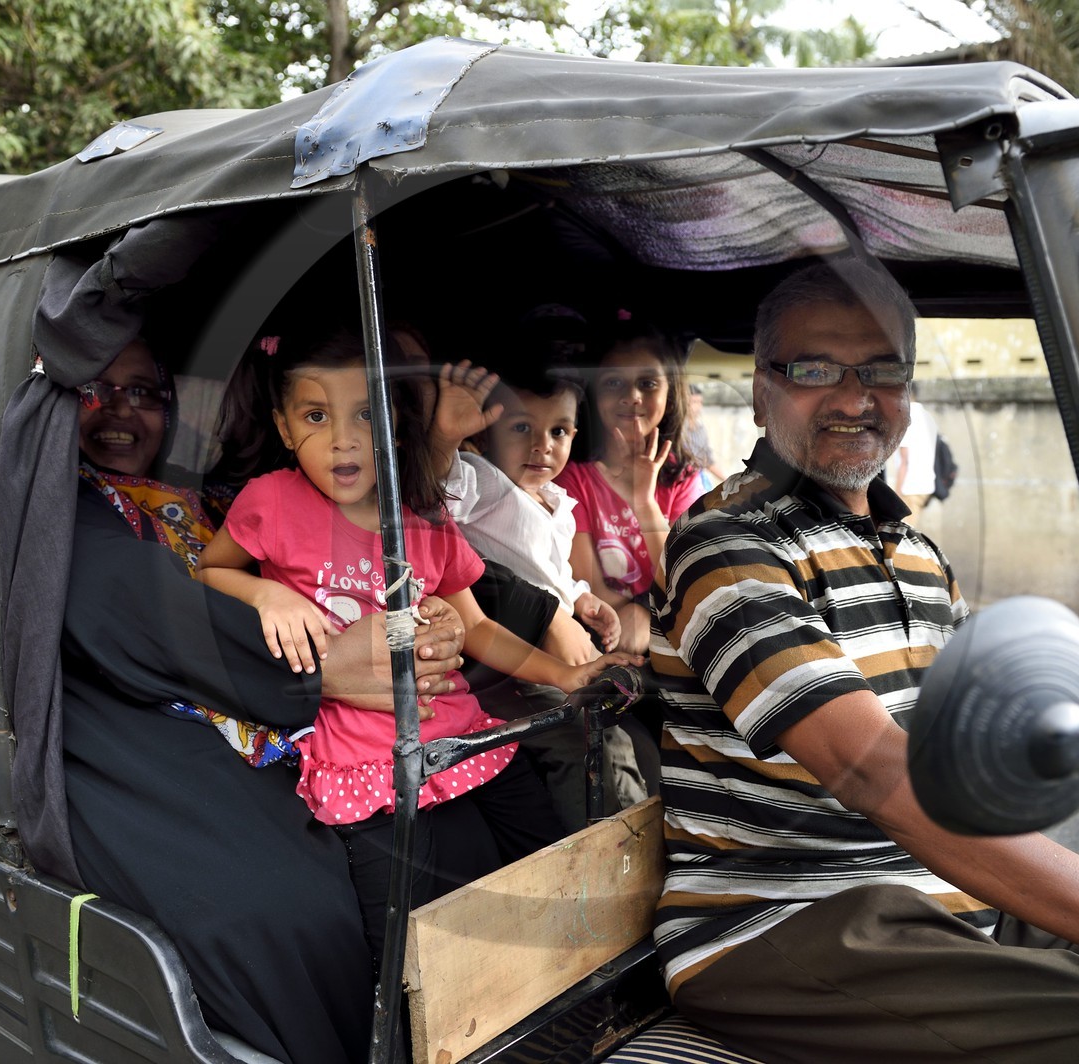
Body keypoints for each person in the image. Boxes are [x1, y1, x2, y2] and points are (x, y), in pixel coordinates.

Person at [649, 262, 1079, 1063]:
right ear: (761, 390)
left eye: (882, 370)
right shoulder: (728, 546)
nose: (851, 397)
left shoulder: (918, 555)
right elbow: (873, 767)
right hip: (779, 921)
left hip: (931, 898)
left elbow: (998, 745)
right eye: (813, 370)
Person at [61, 337, 468, 1064]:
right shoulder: (67, 511)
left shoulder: (223, 498)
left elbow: (393, 560)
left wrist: (483, 622)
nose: (120, 412)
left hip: (326, 738)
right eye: (97, 389)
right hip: (175, 739)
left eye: (144, 393)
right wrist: (318, 672)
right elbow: (132, 606)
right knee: (291, 909)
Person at [195, 329, 635, 962]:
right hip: (365, 758)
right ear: (285, 429)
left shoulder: (422, 516)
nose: (343, 438)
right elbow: (211, 571)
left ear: (394, 426)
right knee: (406, 940)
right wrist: (270, 596)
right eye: (316, 417)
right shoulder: (270, 501)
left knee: (547, 869)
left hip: (463, 736)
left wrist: (567, 676)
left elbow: (477, 626)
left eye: (365, 415)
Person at [426, 356, 652, 826]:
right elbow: (435, 488)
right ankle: (601, 850)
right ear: (484, 433)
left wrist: (585, 600)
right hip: (506, 663)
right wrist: (446, 439)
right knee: (581, 737)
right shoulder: (483, 481)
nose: (542, 446)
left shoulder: (558, 504)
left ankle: (634, 835)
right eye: (521, 428)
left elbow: (556, 575)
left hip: (556, 653)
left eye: (559, 432)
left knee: (611, 733)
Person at [557, 317, 705, 653]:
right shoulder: (572, 480)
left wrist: (645, 504)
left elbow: (686, 578)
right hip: (607, 625)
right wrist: (635, 613)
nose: (632, 396)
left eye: (648, 383)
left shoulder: (683, 479)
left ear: (670, 393)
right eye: (613, 383)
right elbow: (592, 583)